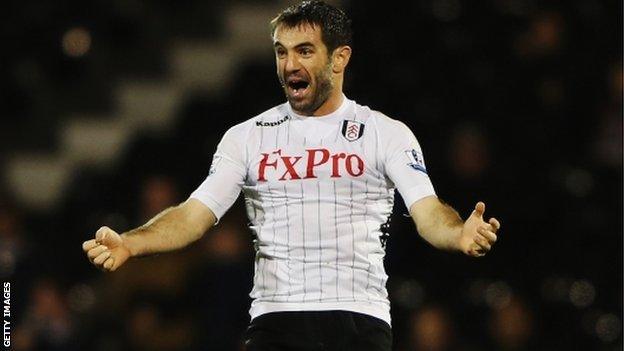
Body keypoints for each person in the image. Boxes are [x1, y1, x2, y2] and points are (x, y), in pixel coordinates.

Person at [82, 1, 501, 350]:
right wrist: (131, 243)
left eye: (304, 50)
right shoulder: (246, 137)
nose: (289, 64)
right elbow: (194, 215)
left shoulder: (385, 133)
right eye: (281, 52)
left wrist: (459, 233)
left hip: (358, 319)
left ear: (340, 58)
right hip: (275, 320)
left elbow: (428, 213)